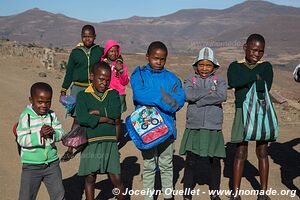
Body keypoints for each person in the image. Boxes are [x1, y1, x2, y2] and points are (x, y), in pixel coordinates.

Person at [130, 41, 185, 200]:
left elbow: (178, 102)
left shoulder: (172, 78)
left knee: (167, 165)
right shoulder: (139, 74)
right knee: (149, 166)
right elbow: (139, 95)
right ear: (147, 57)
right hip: (146, 130)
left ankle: (168, 196)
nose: (159, 62)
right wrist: (163, 97)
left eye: (163, 59)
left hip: (167, 129)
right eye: (155, 58)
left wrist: (153, 98)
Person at [60, 25, 123, 161]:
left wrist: (119, 61)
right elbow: (69, 72)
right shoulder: (75, 52)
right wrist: (63, 89)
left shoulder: (99, 51)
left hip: (95, 89)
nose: (87, 39)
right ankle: (70, 148)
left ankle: (100, 146)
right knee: (77, 119)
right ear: (81, 36)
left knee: (96, 114)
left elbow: (115, 54)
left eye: (90, 36)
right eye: (85, 36)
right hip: (78, 88)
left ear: (95, 37)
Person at [227, 34, 274, 200]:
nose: (257, 54)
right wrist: (255, 77)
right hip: (242, 110)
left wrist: (245, 81)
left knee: (262, 150)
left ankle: (263, 192)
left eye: (261, 51)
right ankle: (236, 192)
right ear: (245, 47)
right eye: (254, 49)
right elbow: (233, 81)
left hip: (261, 110)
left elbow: (265, 86)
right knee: (240, 151)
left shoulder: (267, 66)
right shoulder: (234, 66)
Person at [179, 47, 227, 200]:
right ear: (196, 65)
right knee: (191, 161)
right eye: (201, 65)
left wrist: (198, 101)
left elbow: (222, 96)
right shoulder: (189, 79)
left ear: (214, 66)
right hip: (195, 126)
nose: (204, 68)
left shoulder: (219, 80)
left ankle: (214, 194)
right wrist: (209, 93)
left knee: (215, 161)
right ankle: (187, 194)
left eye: (208, 65)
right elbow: (188, 94)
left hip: (213, 126)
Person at [76, 61, 125, 200]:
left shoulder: (113, 94)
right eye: (101, 79)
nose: (104, 83)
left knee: (116, 178)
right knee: (90, 178)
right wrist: (105, 119)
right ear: (92, 76)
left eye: (108, 80)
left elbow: (116, 112)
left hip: (110, 143)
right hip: (90, 142)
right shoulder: (83, 95)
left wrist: (97, 111)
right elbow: (82, 117)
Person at [16, 82, 65, 200]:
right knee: (26, 197)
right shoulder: (25, 117)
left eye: (48, 102)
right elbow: (21, 139)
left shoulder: (52, 115)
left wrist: (53, 133)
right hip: (31, 166)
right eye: (40, 101)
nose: (44, 105)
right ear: (31, 100)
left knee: (59, 195)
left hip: (52, 164)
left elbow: (62, 133)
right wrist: (40, 135)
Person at [101, 39, 129, 113]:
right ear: (107, 52)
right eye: (111, 51)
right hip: (105, 93)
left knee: (117, 117)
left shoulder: (122, 65)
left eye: (116, 51)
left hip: (118, 94)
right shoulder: (102, 64)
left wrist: (121, 70)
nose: (114, 53)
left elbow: (125, 82)